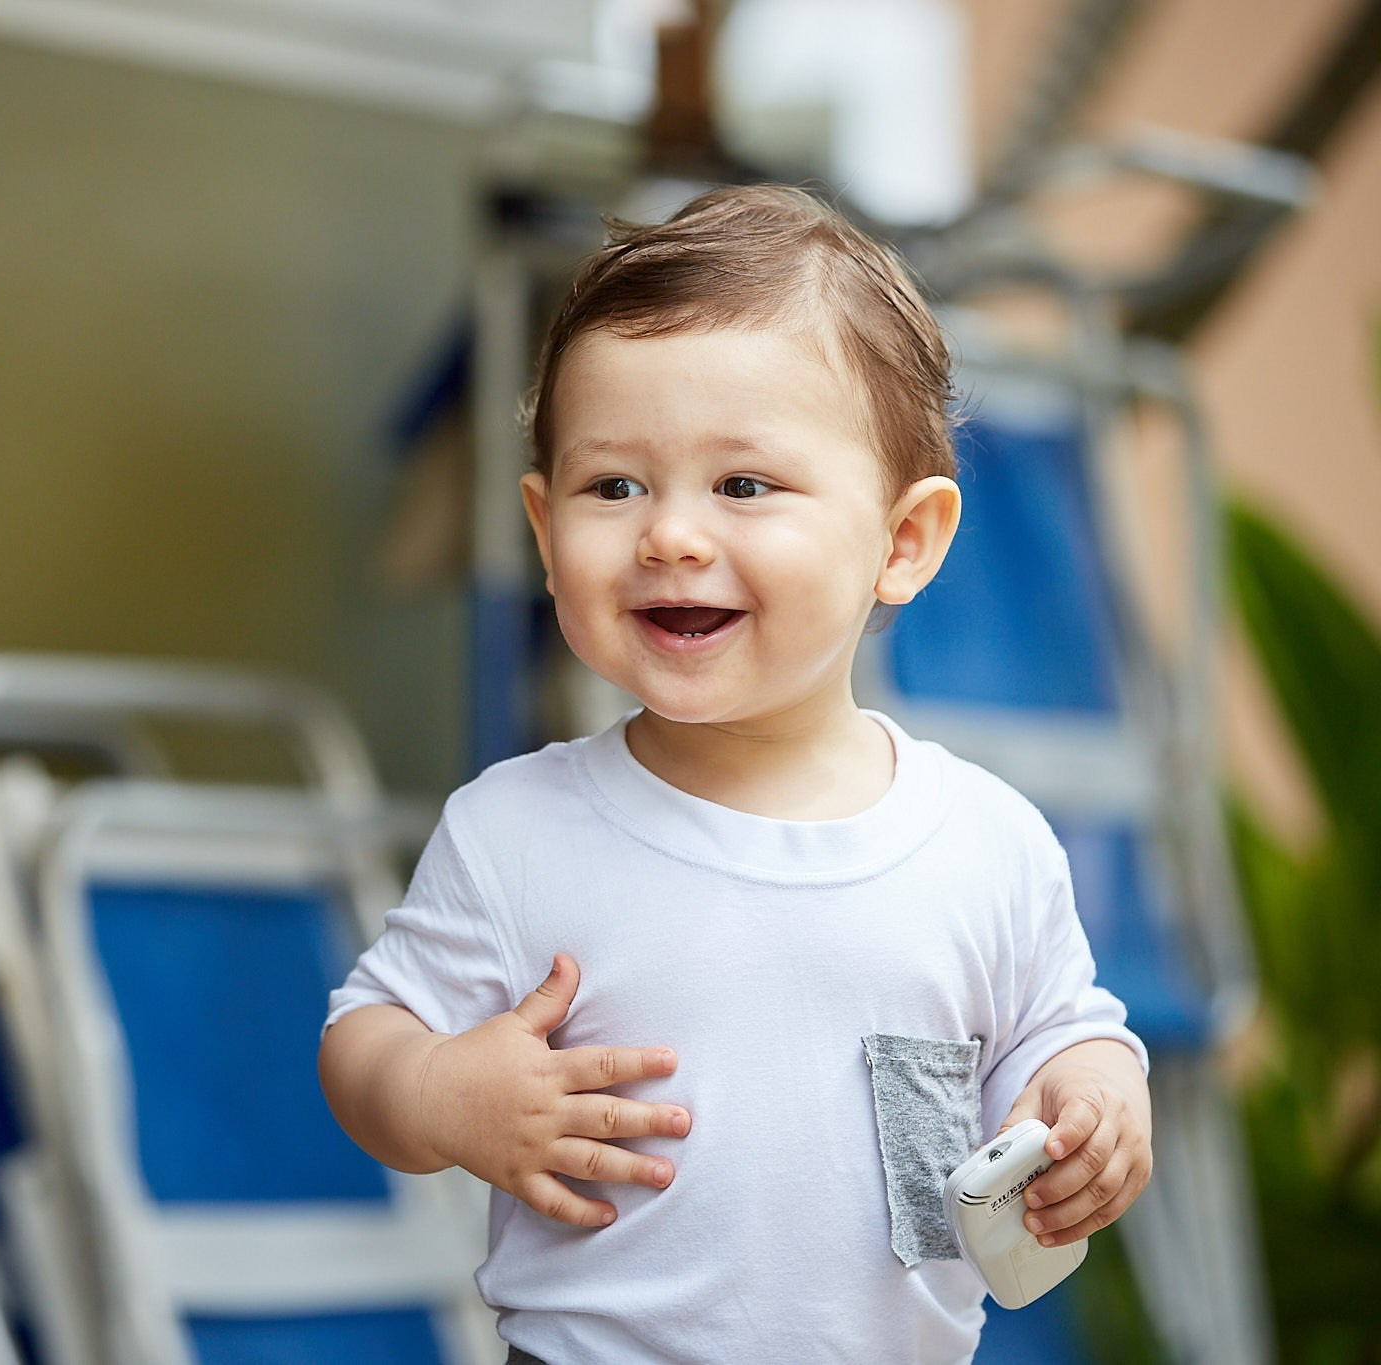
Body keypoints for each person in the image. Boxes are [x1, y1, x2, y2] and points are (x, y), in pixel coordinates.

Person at [317, 184, 1152, 1364]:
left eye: (743, 485)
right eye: (613, 486)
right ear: (544, 532)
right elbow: (364, 1037)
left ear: (901, 542)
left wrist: (1093, 1096)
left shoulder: (984, 843)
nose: (670, 536)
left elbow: (1063, 1030)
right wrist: (440, 1091)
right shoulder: (518, 829)